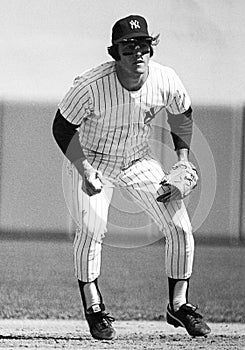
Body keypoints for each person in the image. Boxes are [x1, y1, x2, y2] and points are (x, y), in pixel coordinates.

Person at [52, 14, 211, 340]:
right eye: (128, 46)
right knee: (92, 226)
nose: (137, 52)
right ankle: (94, 309)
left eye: (143, 45)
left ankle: (178, 305)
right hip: (93, 160)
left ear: (151, 49)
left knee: (179, 225)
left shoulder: (164, 80)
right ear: (115, 52)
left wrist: (182, 162)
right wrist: (83, 169)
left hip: (138, 161)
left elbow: (182, 115)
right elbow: (62, 126)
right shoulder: (92, 86)